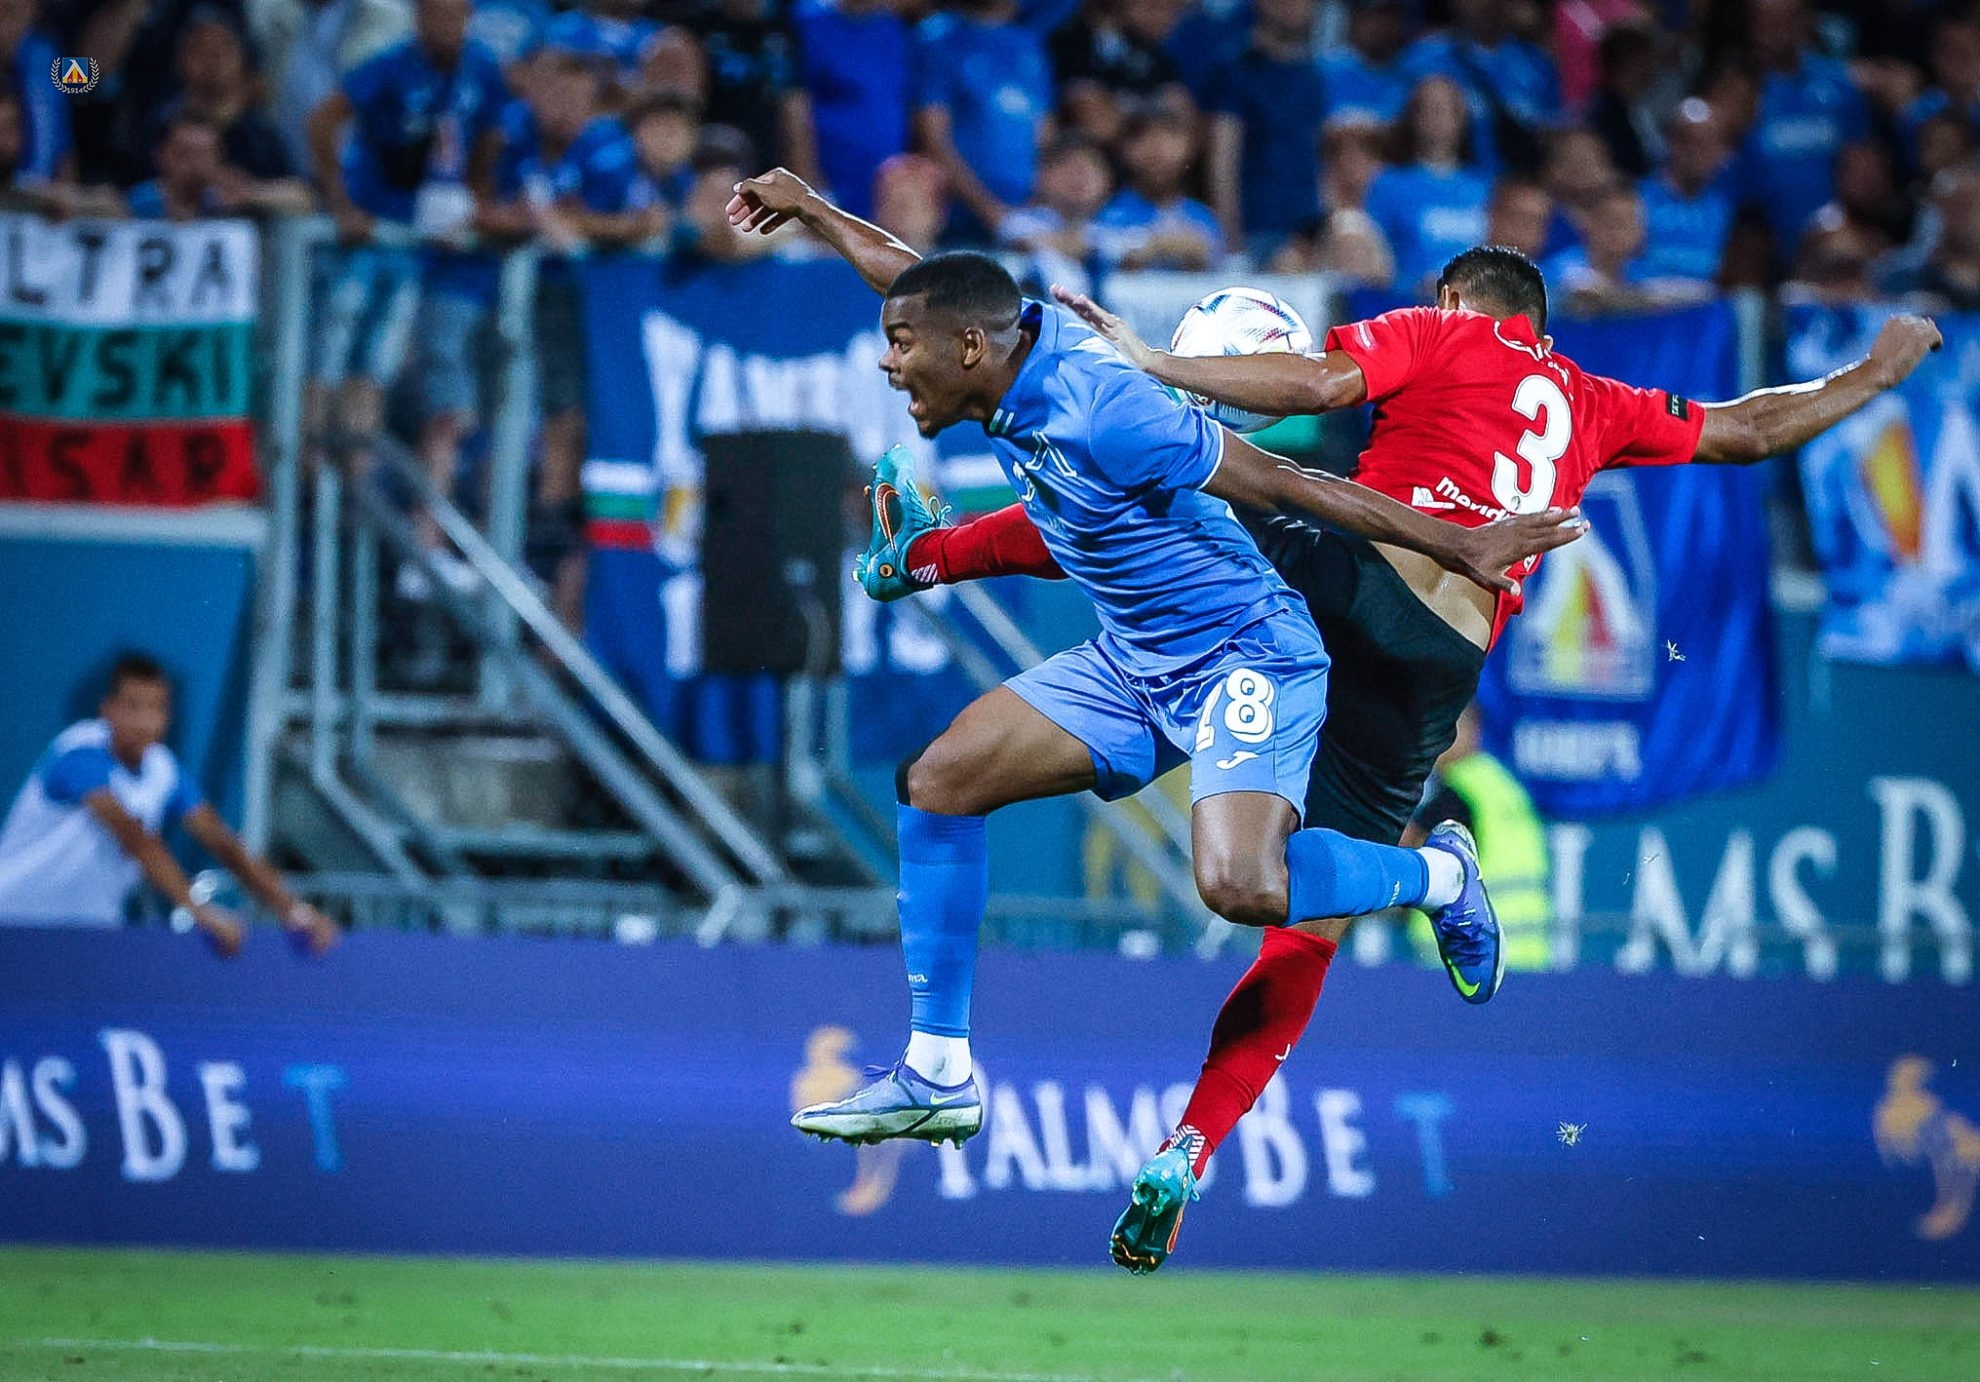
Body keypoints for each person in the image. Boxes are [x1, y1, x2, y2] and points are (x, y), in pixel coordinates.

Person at [876, 245, 1943, 1271]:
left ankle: (930, 554)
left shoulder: (1446, 333)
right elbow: (1749, 429)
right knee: (1299, 924)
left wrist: (1155, 363)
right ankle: (1190, 1146)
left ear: (1455, 298)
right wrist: (1876, 370)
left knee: (1152, 494)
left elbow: (1319, 382)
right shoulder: (1597, 401)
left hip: (1354, 583)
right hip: (1437, 664)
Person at [724, 168, 1584, 1154]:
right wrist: (812, 206)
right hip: (1133, 660)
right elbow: (912, 276)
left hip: (1245, 654)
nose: (889, 363)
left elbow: (1289, 484)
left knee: (1241, 886)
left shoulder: (1115, 411)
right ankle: (938, 1072)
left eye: (902, 346)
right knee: (940, 778)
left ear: (967, 349)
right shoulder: (998, 345)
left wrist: (1458, 542)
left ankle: (1435, 875)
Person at [0, 654, 338, 956]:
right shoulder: (79, 753)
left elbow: (221, 841)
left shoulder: (163, 769)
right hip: (12, 921)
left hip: (90, 934)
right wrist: (199, 911)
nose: (144, 722)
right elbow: (136, 839)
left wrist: (294, 910)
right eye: (132, 707)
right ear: (107, 709)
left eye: (156, 709)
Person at [1401, 702, 1549, 971]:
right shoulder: (1503, 785)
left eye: (1440, 729)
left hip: (1466, 954)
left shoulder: (1459, 793)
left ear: (1470, 732)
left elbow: (1403, 856)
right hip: (1524, 954)